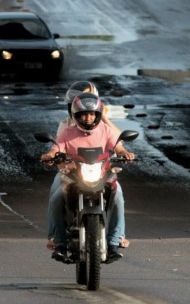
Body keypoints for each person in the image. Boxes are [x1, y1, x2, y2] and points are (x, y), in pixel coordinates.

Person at [40, 92, 135, 263]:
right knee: (56, 199)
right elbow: (57, 149)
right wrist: (50, 155)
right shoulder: (67, 132)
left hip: (102, 174)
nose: (88, 118)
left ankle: (115, 240)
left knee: (118, 198)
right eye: (84, 114)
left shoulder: (106, 131)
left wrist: (125, 153)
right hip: (74, 175)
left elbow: (118, 147)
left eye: (92, 114)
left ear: (98, 115)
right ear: (76, 115)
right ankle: (59, 242)